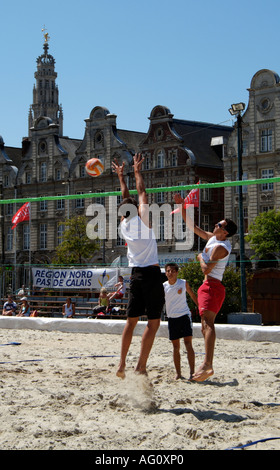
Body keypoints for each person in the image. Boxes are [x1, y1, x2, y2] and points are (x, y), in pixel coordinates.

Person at [174, 193, 237, 382]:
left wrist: (201, 257)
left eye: (219, 225)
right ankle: (207, 365)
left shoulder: (221, 247)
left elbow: (206, 267)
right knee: (204, 326)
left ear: (225, 232)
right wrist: (182, 206)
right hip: (207, 285)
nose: (216, 225)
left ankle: (208, 363)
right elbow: (193, 227)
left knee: (208, 324)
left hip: (213, 286)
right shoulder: (212, 239)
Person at [112, 153, 165, 378]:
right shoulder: (142, 219)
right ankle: (141, 366)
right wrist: (135, 171)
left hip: (135, 276)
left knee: (130, 322)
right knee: (153, 323)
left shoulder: (123, 225)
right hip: (152, 274)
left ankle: (122, 364)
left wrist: (121, 177)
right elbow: (141, 192)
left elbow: (127, 198)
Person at [164, 263, 197, 380]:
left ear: (177, 272)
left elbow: (192, 295)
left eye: (172, 271)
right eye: (168, 271)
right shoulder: (164, 286)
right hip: (172, 319)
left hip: (184, 316)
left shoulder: (183, 283)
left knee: (188, 344)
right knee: (175, 347)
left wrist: (201, 309)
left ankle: (192, 372)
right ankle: (178, 374)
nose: (170, 273)